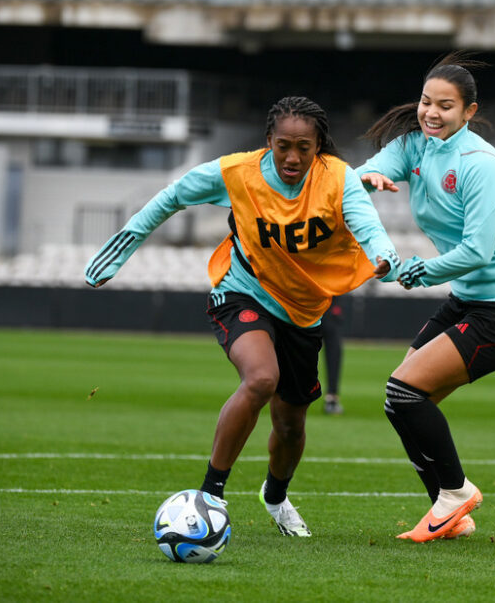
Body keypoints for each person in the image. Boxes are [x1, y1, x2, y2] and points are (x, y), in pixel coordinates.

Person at [85, 96, 400, 537]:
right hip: (242, 291)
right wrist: (126, 242)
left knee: (291, 427)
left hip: (305, 312)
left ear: (319, 147)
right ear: (268, 140)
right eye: (283, 145)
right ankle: (209, 497)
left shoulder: (340, 180)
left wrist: (385, 256)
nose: (292, 157)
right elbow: (172, 196)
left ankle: (275, 496)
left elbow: (368, 226)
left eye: (303, 148)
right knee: (260, 378)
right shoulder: (236, 172)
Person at [356, 53, 495, 543]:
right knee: (402, 402)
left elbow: (478, 251)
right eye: (425, 101)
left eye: (445, 106)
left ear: (469, 112)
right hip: (468, 300)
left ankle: (455, 494)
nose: (430, 113)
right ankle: (452, 508)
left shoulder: (479, 163)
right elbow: (367, 172)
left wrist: (417, 272)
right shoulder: (415, 145)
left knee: (405, 391)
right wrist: (366, 178)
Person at [320, 297, 344, 415]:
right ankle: (331, 398)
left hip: (325, 306)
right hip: (313, 306)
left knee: (334, 353)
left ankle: (332, 397)